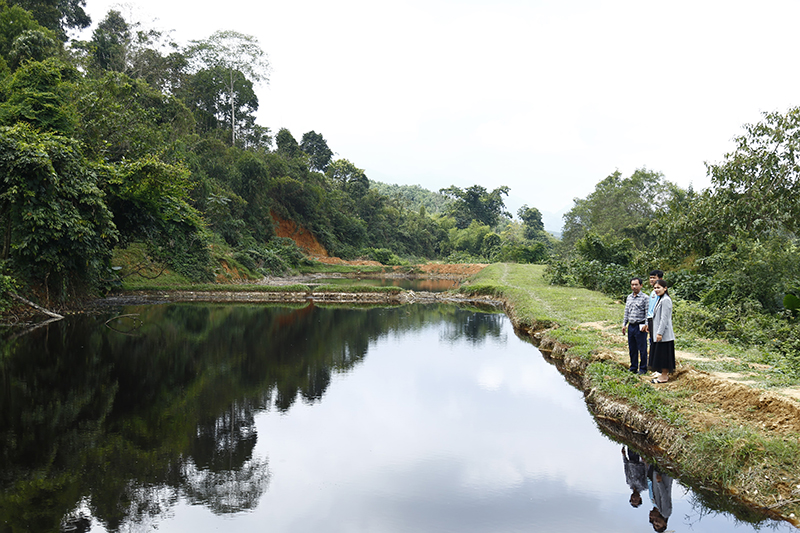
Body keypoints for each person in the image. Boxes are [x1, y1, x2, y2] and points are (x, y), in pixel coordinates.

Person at [649, 279, 675, 384]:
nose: (656, 290)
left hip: (664, 334)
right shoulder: (660, 299)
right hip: (658, 333)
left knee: (664, 355)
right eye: (655, 288)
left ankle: (664, 376)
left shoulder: (666, 300)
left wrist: (659, 333)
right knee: (659, 354)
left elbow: (664, 318)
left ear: (665, 288)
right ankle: (662, 375)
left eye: (658, 288)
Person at [622, 277, 649, 374]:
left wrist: (646, 325)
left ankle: (643, 368)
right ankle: (633, 367)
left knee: (642, 348)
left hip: (640, 326)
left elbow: (647, 313)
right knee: (632, 348)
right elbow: (626, 312)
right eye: (632, 285)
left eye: (636, 285)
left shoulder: (645, 298)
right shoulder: (629, 297)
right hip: (631, 326)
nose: (634, 287)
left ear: (641, 285)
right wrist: (624, 324)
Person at [644, 269, 664, 370]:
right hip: (650, 319)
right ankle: (652, 364)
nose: (651, 280)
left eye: (654, 278)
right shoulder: (653, 292)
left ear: (660, 279)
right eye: (650, 278)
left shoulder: (660, 294)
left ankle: (658, 366)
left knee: (657, 342)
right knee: (652, 341)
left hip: (656, 319)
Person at [647, 463, 673, 532]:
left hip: (659, 476)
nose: (655, 522)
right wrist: (659, 482)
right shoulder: (666, 513)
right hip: (663, 477)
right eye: (658, 525)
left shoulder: (660, 511)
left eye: (654, 524)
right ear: (665, 524)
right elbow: (664, 498)